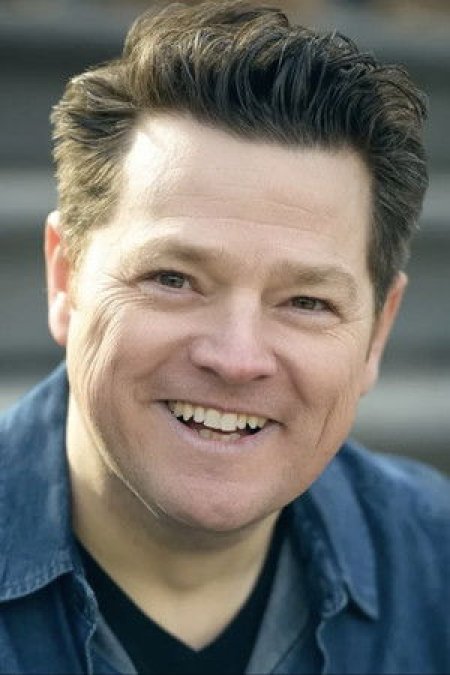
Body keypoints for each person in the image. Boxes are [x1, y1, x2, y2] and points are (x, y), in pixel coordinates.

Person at [0, 2, 448, 673]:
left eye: (307, 301)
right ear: (65, 278)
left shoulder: (437, 564)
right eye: (173, 278)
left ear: (377, 333)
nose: (237, 359)